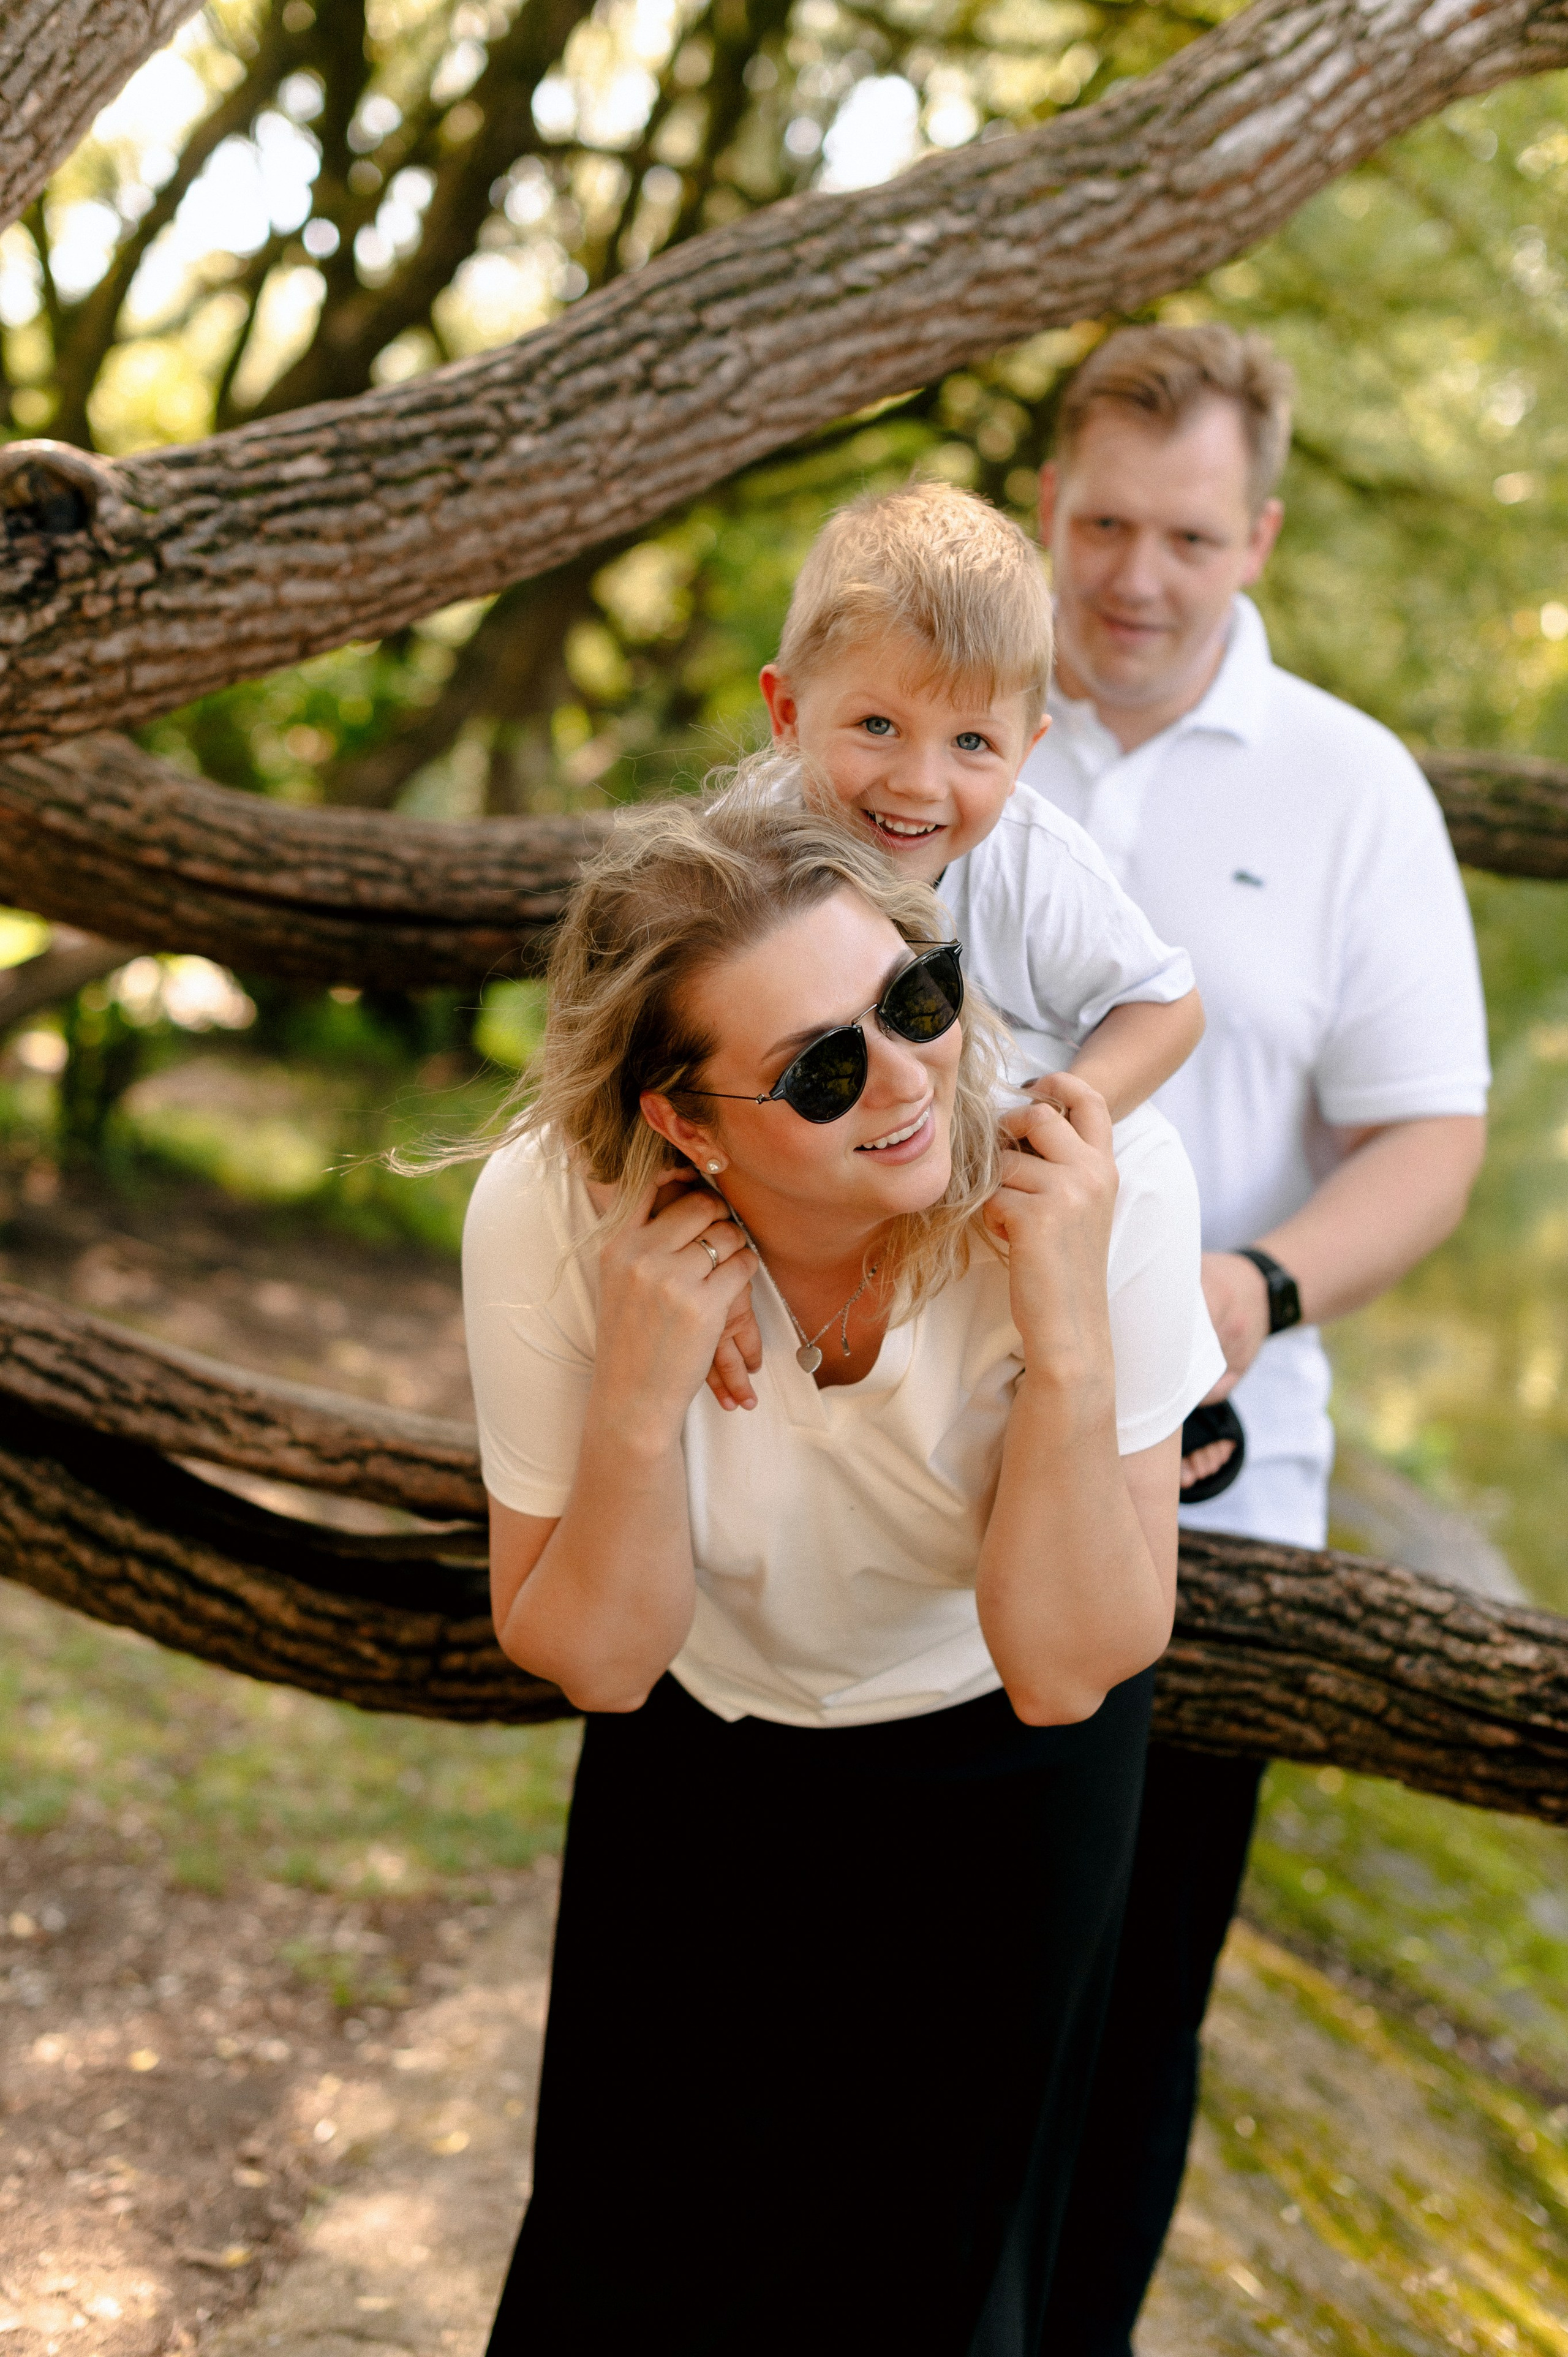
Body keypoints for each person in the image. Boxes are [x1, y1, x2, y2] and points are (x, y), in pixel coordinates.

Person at [461, 774, 1224, 2355]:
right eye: (820, 1069)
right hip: (701, 1744)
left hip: (1006, 1764)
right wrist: (636, 1398)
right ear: (679, 1121)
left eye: (916, 998)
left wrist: (1066, 1332)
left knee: (937, 2298)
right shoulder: (547, 1217)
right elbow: (597, 1660)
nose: (904, 1081)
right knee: (625, 2271)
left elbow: (1068, 1665)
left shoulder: (1105, 1188)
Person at [1017, 321, 1491, 2351]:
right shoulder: (950, 715)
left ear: (1259, 535)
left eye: (1187, 536)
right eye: (1104, 522)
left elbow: (1435, 1133)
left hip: (1222, 1506)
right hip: (915, 1471)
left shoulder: (1352, 785)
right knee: (933, 1981)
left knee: (1128, 2004)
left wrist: (1258, 1288)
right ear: (1049, 504)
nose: (1135, 577)